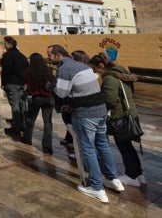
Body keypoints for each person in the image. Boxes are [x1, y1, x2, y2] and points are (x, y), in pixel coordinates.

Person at [48, 44, 124, 203]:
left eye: (49, 55)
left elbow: (61, 93)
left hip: (85, 115)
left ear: (57, 55)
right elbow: (84, 91)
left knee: (88, 149)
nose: (48, 58)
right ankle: (114, 179)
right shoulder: (81, 64)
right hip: (100, 110)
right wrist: (73, 104)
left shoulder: (65, 68)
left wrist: (49, 86)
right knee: (103, 145)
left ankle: (97, 188)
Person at [89, 53, 146, 188]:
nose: (95, 72)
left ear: (101, 66)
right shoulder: (121, 73)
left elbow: (110, 100)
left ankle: (131, 175)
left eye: (95, 69)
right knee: (128, 146)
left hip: (120, 117)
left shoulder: (110, 79)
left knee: (124, 146)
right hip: (130, 114)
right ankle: (138, 174)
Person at [22, 53, 55, 154]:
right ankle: (47, 146)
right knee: (48, 122)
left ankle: (27, 139)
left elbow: (25, 83)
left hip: (35, 98)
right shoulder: (47, 71)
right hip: (48, 98)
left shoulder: (28, 72)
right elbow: (54, 82)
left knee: (31, 120)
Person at [1, 36, 29, 137]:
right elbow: (27, 68)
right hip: (22, 83)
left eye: (5, 43)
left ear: (9, 44)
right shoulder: (22, 55)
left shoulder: (7, 55)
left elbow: (5, 70)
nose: (4, 45)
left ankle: (16, 127)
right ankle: (23, 125)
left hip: (12, 83)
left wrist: (3, 84)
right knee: (21, 105)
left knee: (15, 105)